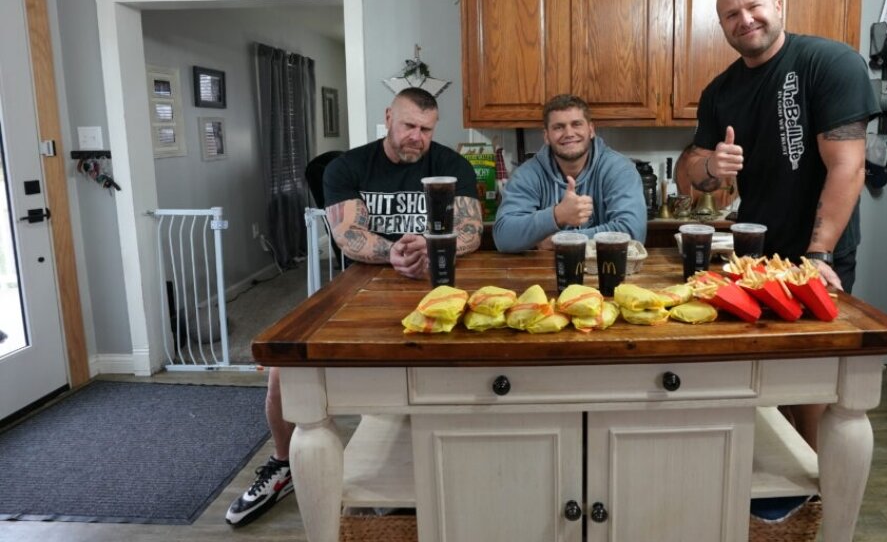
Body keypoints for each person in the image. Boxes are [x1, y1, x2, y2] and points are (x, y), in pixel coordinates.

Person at [226, 87, 482, 527]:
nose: (416, 138)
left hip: (433, 284)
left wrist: (433, 244)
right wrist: (393, 254)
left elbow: (472, 229)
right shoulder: (348, 167)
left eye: (425, 129)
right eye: (408, 126)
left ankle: (445, 466)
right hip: (360, 285)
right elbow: (346, 234)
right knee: (282, 370)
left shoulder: (450, 165)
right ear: (388, 118)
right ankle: (284, 463)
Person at [686, 0, 879, 449]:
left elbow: (848, 167)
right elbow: (689, 173)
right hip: (755, 259)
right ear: (722, 26)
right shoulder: (720, 92)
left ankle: (813, 497)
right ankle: (779, 495)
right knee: (766, 384)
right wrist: (710, 163)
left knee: (811, 387)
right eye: (731, 15)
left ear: (777, 4)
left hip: (816, 254)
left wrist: (818, 257)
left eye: (753, 7)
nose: (744, 20)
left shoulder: (829, 62)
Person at [493, 94, 647, 252]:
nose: (569, 133)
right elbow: (504, 238)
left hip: (607, 271)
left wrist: (559, 240)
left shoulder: (619, 169)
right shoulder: (527, 174)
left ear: (591, 130)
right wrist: (557, 215)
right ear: (546, 136)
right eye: (558, 127)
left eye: (576, 124)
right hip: (545, 272)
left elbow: (632, 232)